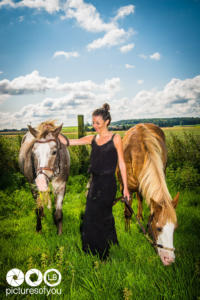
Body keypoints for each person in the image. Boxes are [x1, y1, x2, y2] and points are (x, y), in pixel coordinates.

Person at [59, 103, 130, 259]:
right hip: (94, 183)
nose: (94, 125)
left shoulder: (116, 138)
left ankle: (103, 254)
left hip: (108, 184)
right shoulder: (92, 138)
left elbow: (122, 163)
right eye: (93, 122)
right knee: (91, 215)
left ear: (107, 122)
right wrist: (54, 133)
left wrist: (125, 188)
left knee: (99, 216)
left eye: (97, 123)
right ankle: (95, 247)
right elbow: (68, 142)